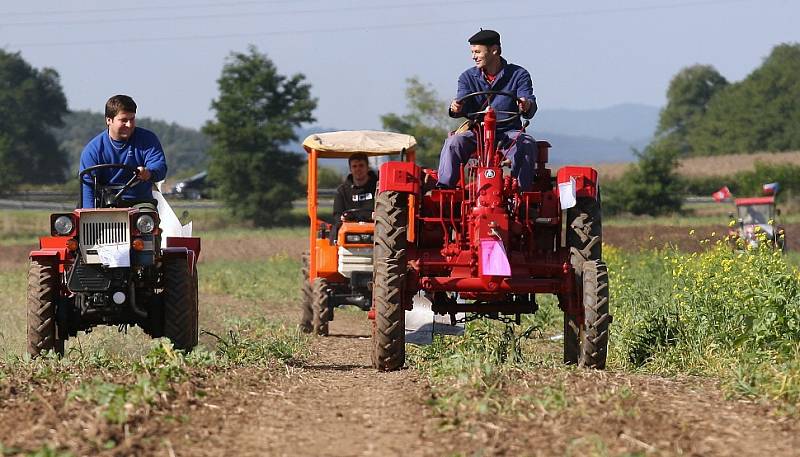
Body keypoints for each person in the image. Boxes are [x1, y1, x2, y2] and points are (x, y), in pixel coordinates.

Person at [437, 29, 538, 190]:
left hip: (508, 132)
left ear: (494, 50)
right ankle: (444, 190)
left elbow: (528, 101)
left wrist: (526, 104)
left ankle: (521, 193)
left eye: (477, 52)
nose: (473, 56)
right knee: (453, 142)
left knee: (526, 143)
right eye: (472, 52)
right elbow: (460, 100)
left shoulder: (518, 74)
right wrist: (456, 106)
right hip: (477, 132)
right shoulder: (467, 77)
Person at [79, 95, 167, 208]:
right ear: (109, 120)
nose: (129, 125)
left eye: (132, 119)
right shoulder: (92, 151)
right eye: (124, 120)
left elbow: (160, 167)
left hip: (139, 203)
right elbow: (88, 187)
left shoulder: (147, 140)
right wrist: (89, 214)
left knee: (147, 216)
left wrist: (148, 173)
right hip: (104, 204)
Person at [331, 152, 378, 241]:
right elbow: (337, 214)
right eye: (354, 166)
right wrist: (343, 218)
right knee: (335, 229)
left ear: (367, 167)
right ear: (350, 169)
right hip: (349, 227)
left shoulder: (378, 188)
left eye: (361, 165)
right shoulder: (342, 191)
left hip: (374, 227)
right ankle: (337, 253)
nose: (358, 169)